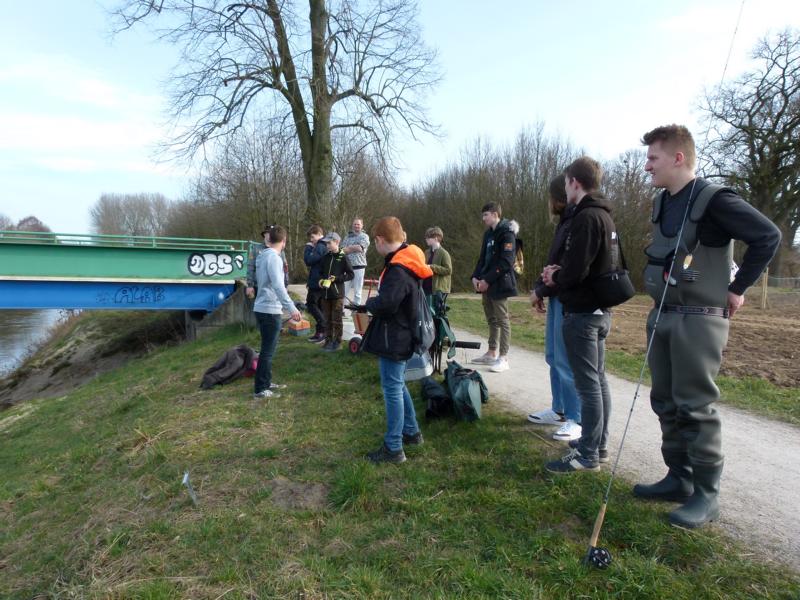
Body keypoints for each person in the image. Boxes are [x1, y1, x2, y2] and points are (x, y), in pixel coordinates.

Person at [634, 125, 781, 528]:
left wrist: (737, 288)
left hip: (699, 319)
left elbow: (768, 236)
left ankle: (706, 496)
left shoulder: (715, 200)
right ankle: (678, 478)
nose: (647, 166)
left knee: (695, 406)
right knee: (664, 401)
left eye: (653, 158)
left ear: (678, 158)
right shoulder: (662, 203)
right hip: (662, 314)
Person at [542, 156, 617, 474]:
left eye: (566, 182)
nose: (565, 188)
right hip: (600, 311)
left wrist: (554, 276)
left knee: (588, 386)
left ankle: (588, 455)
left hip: (583, 313)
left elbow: (576, 271)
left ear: (574, 182)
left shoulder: (586, 218)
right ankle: (598, 445)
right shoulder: (605, 216)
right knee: (598, 381)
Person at [362, 216, 432, 463]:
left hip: (395, 337)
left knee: (391, 389)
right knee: (398, 384)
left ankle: (393, 448)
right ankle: (411, 432)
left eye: (375, 242)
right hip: (402, 333)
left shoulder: (398, 269)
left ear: (380, 240)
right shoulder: (408, 259)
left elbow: (388, 304)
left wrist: (370, 304)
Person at [528, 176, 583, 443]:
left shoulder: (576, 220)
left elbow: (566, 267)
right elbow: (552, 263)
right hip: (555, 297)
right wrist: (540, 289)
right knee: (552, 356)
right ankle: (558, 409)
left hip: (568, 299)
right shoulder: (563, 222)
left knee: (564, 360)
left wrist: (542, 291)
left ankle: (576, 418)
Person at [253, 226, 301, 399]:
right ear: (284, 241)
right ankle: (261, 389)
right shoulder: (274, 258)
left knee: (268, 349)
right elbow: (278, 286)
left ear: (269, 239)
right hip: (269, 309)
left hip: (262, 307)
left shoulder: (262, 255)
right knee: (267, 351)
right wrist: (292, 308)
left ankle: (266, 382)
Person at [470, 202, 518, 373]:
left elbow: (506, 261)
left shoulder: (507, 233)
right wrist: (475, 277)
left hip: (500, 283)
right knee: (491, 319)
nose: (483, 219)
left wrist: (487, 280)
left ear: (495, 214)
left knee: (502, 320)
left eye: (486, 215)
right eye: (483, 215)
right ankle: (491, 353)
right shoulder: (488, 234)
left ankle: (503, 358)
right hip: (486, 284)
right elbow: (482, 259)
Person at [318, 232, 354, 352]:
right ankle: (328, 341)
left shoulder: (343, 257)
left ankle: (337, 343)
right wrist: (320, 280)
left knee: (336, 319)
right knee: (326, 319)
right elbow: (320, 272)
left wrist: (337, 278)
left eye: (329, 243)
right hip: (325, 294)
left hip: (337, 295)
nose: (327, 245)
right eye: (326, 243)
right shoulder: (325, 257)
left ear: (337, 242)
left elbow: (351, 274)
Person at [246, 225, 289, 299]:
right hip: (258, 286)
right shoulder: (256, 249)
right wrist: (250, 285)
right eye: (268, 233)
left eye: (271, 234)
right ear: (264, 235)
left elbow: (284, 268)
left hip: (275, 288)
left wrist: (285, 285)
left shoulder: (280, 250)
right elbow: (250, 267)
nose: (270, 235)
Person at [303, 225, 328, 343]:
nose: (311, 240)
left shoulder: (321, 245)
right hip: (319, 280)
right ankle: (320, 332)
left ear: (319, 234)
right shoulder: (321, 245)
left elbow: (308, 261)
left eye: (312, 237)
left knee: (311, 304)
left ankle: (323, 328)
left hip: (317, 281)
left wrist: (308, 248)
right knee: (319, 306)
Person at [342, 217, 370, 306]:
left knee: (357, 291)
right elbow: (342, 250)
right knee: (343, 290)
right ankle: (342, 309)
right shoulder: (347, 237)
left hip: (359, 267)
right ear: (352, 225)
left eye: (358, 224)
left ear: (362, 225)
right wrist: (354, 247)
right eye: (355, 224)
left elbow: (360, 248)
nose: (356, 226)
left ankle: (355, 309)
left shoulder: (364, 236)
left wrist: (349, 248)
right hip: (347, 267)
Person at [424, 226, 452, 294]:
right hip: (425, 287)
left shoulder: (444, 253)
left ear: (436, 239)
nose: (426, 239)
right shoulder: (426, 252)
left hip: (438, 290)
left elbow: (448, 270)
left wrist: (432, 267)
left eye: (428, 238)